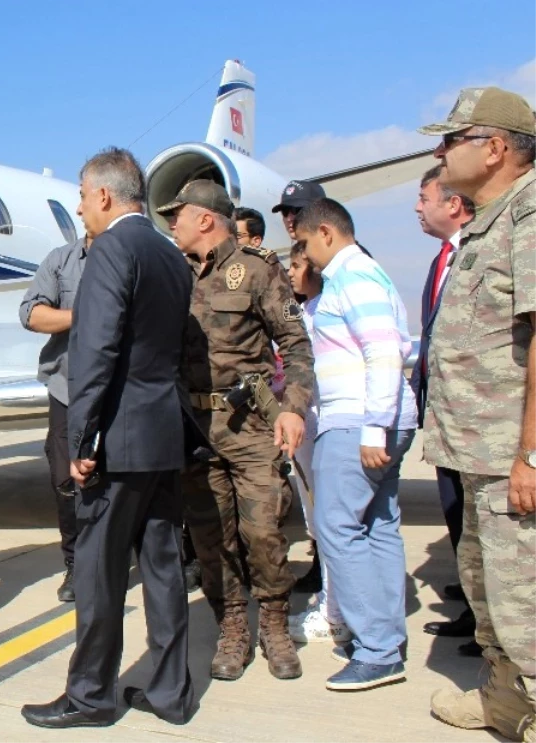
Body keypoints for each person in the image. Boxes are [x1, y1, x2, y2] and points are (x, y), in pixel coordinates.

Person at [21, 147, 196, 729]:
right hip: (162, 434)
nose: (79, 208)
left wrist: (82, 440)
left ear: (102, 195)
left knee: (98, 572)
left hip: (118, 441)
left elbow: (93, 354)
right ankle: (172, 692)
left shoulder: (112, 251)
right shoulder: (171, 255)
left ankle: (90, 696)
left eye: (80, 196)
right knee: (164, 568)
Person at [161, 179, 314, 682]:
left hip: (249, 424)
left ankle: (272, 621)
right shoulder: (171, 277)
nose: (171, 224)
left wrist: (292, 408)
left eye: (177, 215)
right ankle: (231, 625)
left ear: (205, 218)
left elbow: (296, 346)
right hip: (194, 430)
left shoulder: (257, 270)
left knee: (263, 531)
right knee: (210, 537)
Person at [418, 87, 536, 740]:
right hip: (475, 453)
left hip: (508, 456)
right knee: (489, 596)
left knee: (527, 600)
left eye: (451, 139)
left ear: (494, 148)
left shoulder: (531, 213)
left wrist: (531, 454)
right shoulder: (489, 223)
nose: (439, 151)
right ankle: (505, 702)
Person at [295, 199, 418, 692]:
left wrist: (372, 429)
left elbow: (384, 350)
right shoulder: (364, 274)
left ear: (325, 232)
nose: (303, 256)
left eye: (303, 244)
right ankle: (386, 638)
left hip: (357, 421)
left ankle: (377, 650)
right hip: (375, 419)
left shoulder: (354, 276)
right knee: (378, 527)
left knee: (336, 528)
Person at [411, 165, 480, 656]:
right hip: (448, 418)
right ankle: (477, 602)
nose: (418, 207)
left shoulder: (478, 253)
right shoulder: (444, 258)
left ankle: (486, 619)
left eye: (425, 198)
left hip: (477, 421)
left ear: (453, 204)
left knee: (477, 518)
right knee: (457, 512)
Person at [19, 232, 91, 602]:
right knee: (65, 479)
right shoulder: (62, 260)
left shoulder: (133, 254)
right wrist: (83, 316)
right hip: (68, 387)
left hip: (124, 389)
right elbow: (31, 313)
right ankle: (76, 564)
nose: (81, 210)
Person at [284, 241, 349, 647]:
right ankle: (334, 606)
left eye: (294, 266)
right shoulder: (306, 310)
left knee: (331, 522)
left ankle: (335, 615)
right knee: (319, 521)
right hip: (310, 429)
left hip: (323, 426)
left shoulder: (325, 309)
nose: (289, 274)